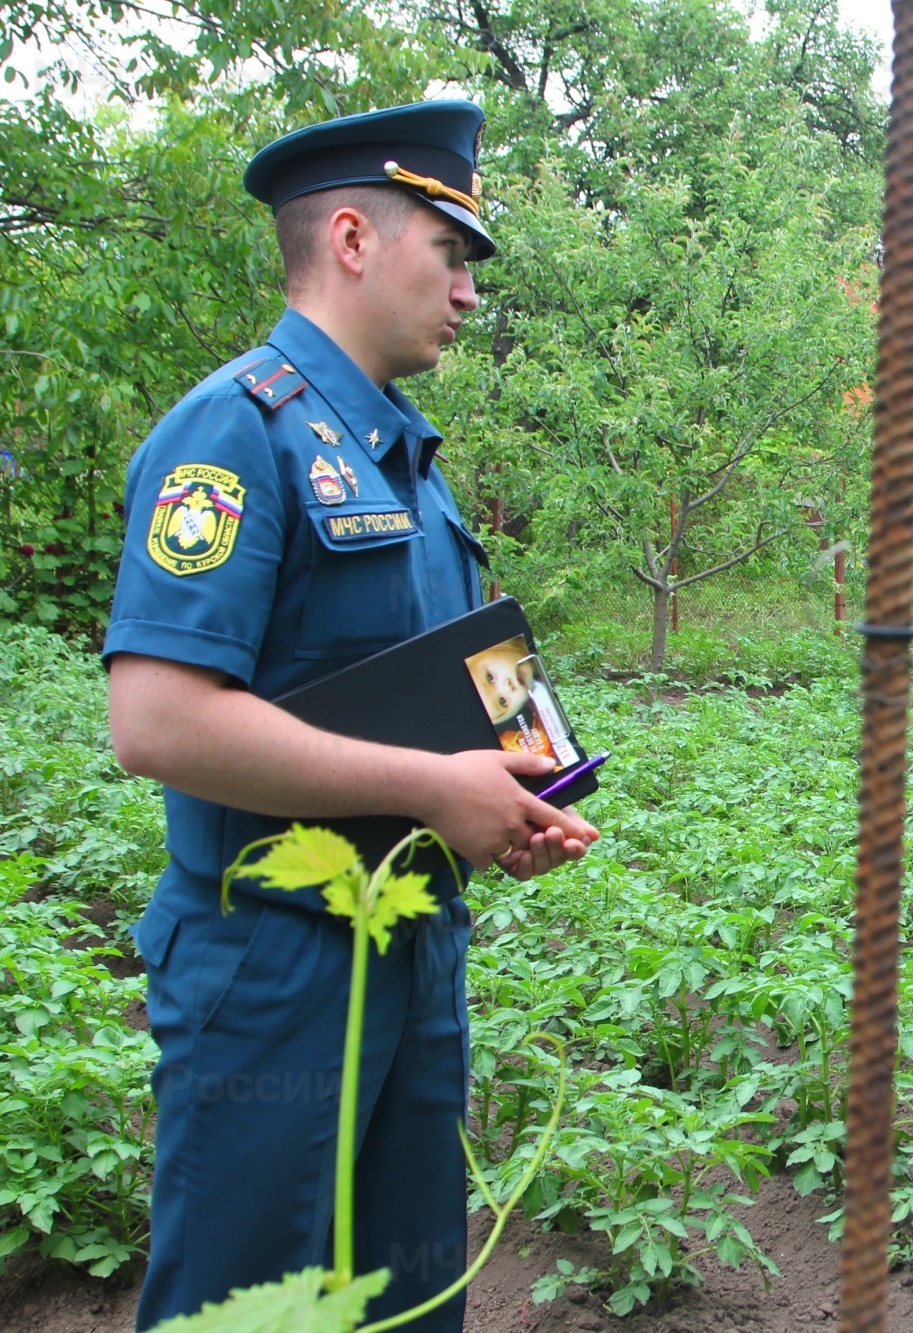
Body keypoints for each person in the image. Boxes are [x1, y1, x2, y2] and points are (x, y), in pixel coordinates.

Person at [103, 101, 599, 1331]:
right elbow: (158, 721)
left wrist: (515, 797)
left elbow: (444, 694)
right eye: (453, 252)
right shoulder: (233, 431)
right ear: (352, 237)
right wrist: (434, 789)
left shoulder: (401, 458)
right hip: (274, 959)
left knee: (406, 1298)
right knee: (254, 1304)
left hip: (415, 943)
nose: (471, 294)